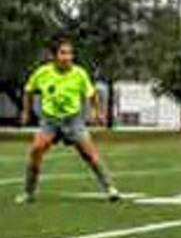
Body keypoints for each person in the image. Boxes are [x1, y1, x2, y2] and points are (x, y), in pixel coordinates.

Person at [16, 37, 119, 204]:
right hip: (50, 121)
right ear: (54, 56)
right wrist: (26, 112)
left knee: (90, 155)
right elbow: (28, 90)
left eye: (70, 53)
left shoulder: (79, 73)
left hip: (73, 121)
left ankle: (110, 189)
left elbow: (91, 94)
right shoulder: (42, 73)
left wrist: (97, 112)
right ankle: (28, 193)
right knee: (36, 150)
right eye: (63, 53)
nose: (68, 57)